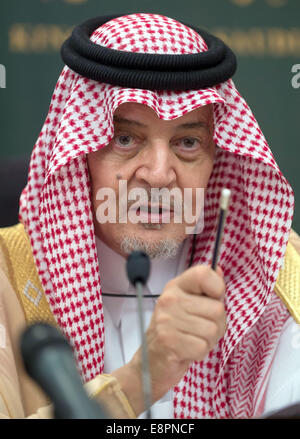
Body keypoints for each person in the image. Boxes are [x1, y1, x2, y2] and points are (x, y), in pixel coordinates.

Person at [0, 12, 300, 419]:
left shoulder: (277, 275)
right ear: (80, 155)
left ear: (219, 157)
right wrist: (146, 375)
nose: (159, 174)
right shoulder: (9, 280)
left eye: (189, 142)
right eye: (125, 139)